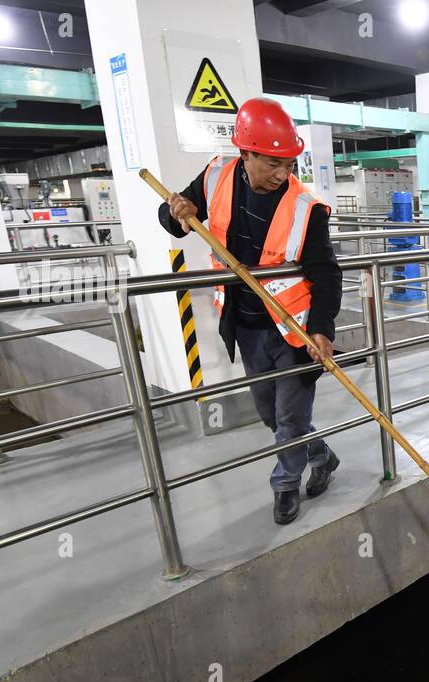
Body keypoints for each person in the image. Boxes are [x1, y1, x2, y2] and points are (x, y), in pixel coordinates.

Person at [157, 97, 341, 525]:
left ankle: (284, 486)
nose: (283, 174)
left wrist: (322, 329)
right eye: (273, 163)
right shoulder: (216, 175)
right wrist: (175, 210)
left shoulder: (305, 208)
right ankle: (323, 455)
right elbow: (174, 218)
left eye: (290, 164)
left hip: (293, 331)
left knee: (290, 418)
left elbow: (327, 273)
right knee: (269, 415)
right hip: (246, 327)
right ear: (246, 153)